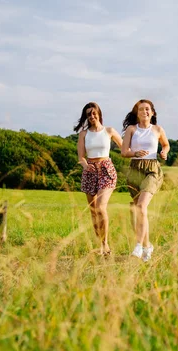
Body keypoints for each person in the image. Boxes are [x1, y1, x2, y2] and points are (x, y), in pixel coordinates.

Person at [121, 99, 170, 262]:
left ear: (152, 112)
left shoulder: (157, 129)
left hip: (152, 169)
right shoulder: (131, 129)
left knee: (141, 206)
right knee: (140, 210)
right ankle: (148, 246)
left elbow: (166, 145)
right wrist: (134, 153)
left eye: (147, 109)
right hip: (135, 170)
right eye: (141, 109)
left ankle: (138, 246)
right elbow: (124, 151)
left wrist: (164, 152)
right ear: (137, 113)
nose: (145, 112)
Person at [74, 102, 123, 255]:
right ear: (86, 117)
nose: (92, 116)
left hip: (106, 169)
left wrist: (140, 153)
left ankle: (106, 244)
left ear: (99, 114)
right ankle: (100, 244)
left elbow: (125, 148)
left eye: (94, 113)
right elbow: (81, 156)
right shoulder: (84, 134)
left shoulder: (109, 131)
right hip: (90, 171)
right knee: (94, 211)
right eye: (89, 114)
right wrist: (85, 165)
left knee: (101, 207)